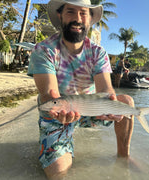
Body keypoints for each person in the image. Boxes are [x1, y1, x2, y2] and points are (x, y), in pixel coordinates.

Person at [28, 0, 135, 179]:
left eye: (83, 13)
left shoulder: (97, 52)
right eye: (71, 11)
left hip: (90, 111)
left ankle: (123, 157)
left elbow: (106, 90)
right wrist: (56, 108)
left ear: (90, 19)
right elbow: (49, 94)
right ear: (60, 15)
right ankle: (56, 145)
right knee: (59, 173)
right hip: (57, 115)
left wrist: (111, 103)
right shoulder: (44, 50)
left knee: (126, 102)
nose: (77, 18)